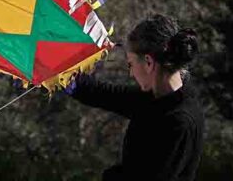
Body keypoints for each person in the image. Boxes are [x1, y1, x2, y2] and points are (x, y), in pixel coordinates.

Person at [70, 14, 204, 181]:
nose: (131, 72)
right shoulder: (157, 96)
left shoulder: (180, 121)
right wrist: (64, 78)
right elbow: (106, 95)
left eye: (131, 64)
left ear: (148, 62)